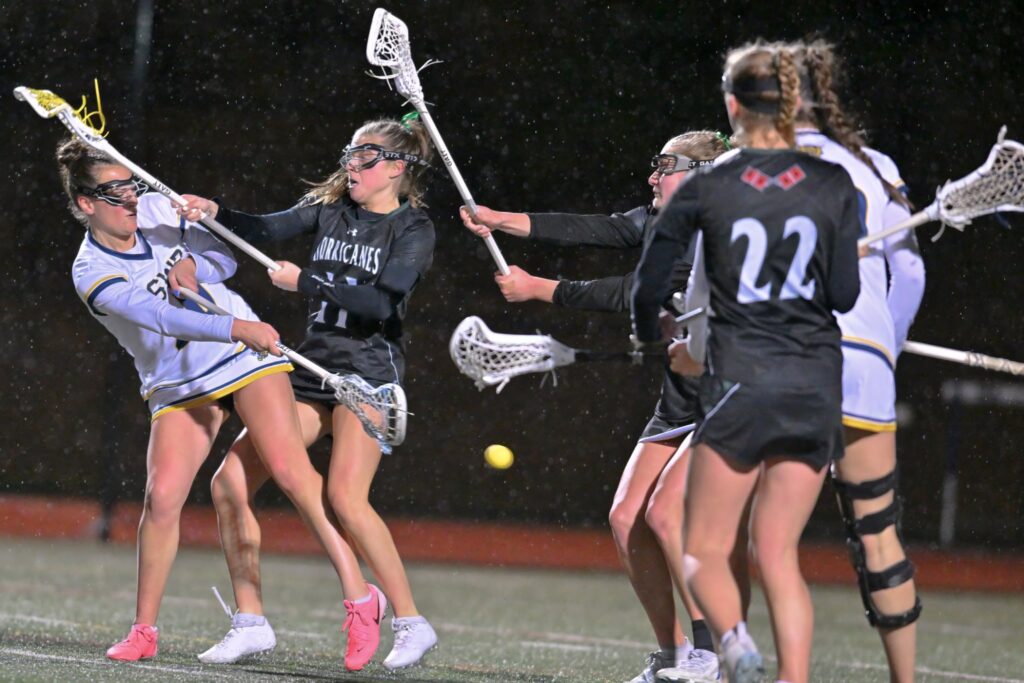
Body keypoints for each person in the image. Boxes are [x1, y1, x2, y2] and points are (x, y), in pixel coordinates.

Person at [57, 138, 371, 664]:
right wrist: (234, 326)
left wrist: (197, 268)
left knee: (292, 473)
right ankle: (145, 631)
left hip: (245, 362)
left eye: (131, 187)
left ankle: (362, 599)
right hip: (179, 382)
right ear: (86, 203)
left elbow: (225, 251)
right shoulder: (90, 272)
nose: (132, 200)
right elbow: (160, 316)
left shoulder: (158, 209)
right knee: (162, 498)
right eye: (115, 193)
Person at [460, 130, 734, 683]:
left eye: (666, 166)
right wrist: (499, 218)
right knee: (627, 517)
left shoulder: (716, 229)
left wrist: (544, 289)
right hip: (683, 388)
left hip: (729, 386)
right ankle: (673, 653)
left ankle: (712, 653)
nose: (653, 177)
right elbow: (597, 229)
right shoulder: (661, 219)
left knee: (665, 511)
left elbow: (639, 291)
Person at [632, 41, 861, 683]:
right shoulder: (834, 183)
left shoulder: (709, 186)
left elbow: (656, 288)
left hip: (740, 384)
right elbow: (843, 294)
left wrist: (669, 344)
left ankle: (731, 643)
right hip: (815, 384)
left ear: (731, 105)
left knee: (701, 544)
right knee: (778, 554)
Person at [179, 115, 439, 671]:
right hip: (310, 370)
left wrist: (308, 282)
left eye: (365, 157)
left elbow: (380, 303)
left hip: (366, 374)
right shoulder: (331, 211)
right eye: (349, 153)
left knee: (346, 497)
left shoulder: (413, 228)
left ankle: (412, 622)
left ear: (396, 167)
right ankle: (250, 622)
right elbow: (266, 229)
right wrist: (215, 213)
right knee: (230, 481)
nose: (351, 164)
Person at [791, 39, 925, 683]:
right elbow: (911, 273)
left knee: (753, 534)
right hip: (867, 359)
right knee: (877, 531)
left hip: (793, 357)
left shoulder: (760, 162)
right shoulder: (877, 165)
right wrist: (884, 349)